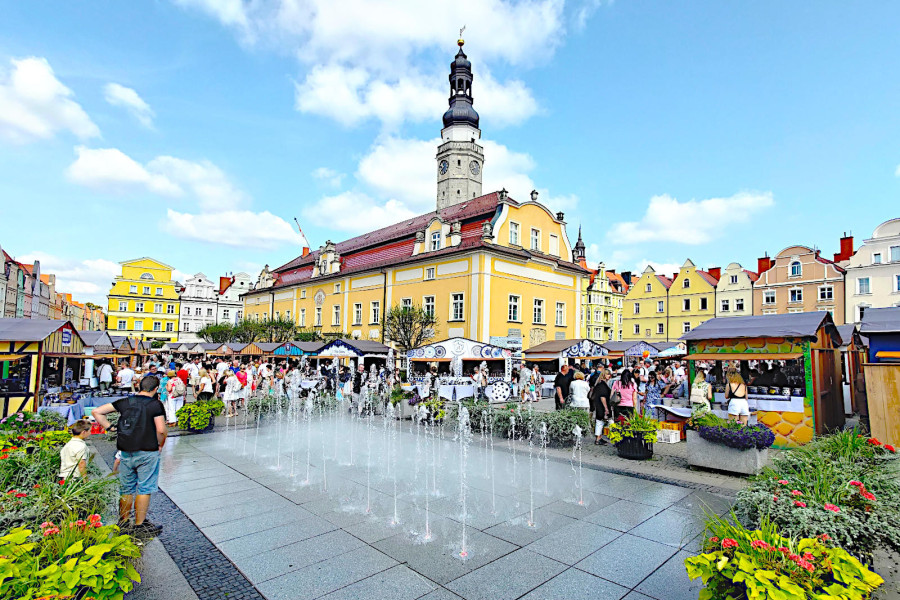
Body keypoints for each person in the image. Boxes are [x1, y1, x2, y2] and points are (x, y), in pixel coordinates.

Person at [92, 375, 167, 535]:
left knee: (126, 488)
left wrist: (109, 427)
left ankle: (124, 521)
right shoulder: (155, 404)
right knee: (144, 487)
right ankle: (140, 525)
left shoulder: (126, 401)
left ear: (139, 386)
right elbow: (161, 429)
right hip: (147, 450)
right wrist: (160, 444)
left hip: (126, 450)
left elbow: (97, 411)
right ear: (156, 389)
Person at [590, 369, 612, 445]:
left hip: (598, 405)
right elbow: (603, 397)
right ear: (604, 375)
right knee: (610, 421)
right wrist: (606, 408)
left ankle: (598, 438)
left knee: (599, 421)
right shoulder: (602, 385)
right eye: (608, 374)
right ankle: (615, 437)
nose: (609, 375)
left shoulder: (598, 384)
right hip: (602, 405)